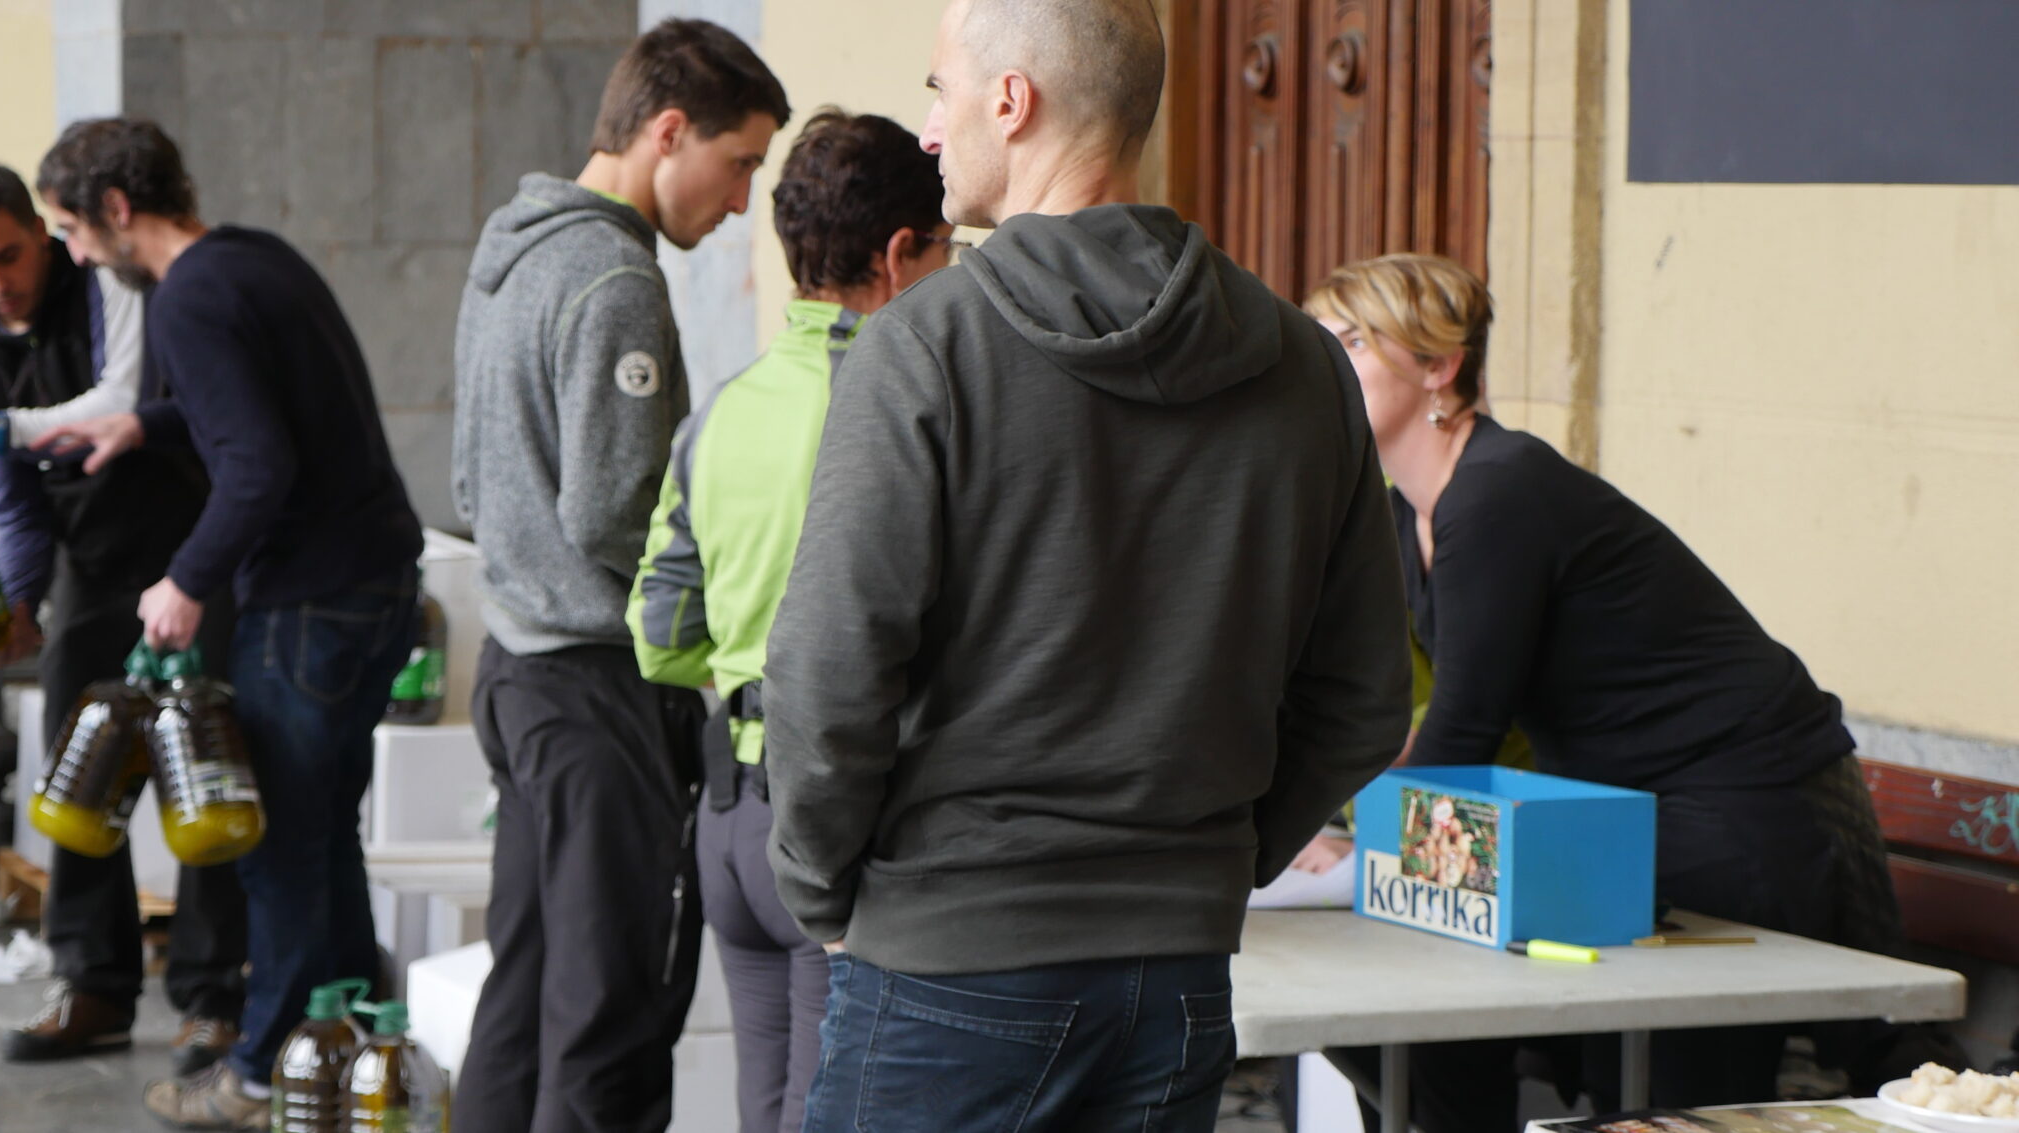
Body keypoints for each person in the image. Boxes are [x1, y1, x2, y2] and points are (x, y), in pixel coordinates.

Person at [762, 1, 1413, 1129]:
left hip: (949, 964)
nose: (930, 128)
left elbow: (827, 671)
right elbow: (1363, 698)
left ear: (1012, 102)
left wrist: (822, 891)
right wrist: (1207, 862)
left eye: (940, 90)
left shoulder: (923, 346)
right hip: (1176, 976)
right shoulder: (1306, 367)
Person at [1303, 252, 1912, 1126]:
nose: (1325, 360)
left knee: (1654, 1094)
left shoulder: (1499, 491)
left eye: (1353, 340)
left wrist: (1367, 846)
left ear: (1438, 366)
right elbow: (1420, 717)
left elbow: (1465, 728)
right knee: (1393, 1013)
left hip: (1741, 811)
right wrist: (1323, 825)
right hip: (1623, 815)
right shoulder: (1411, 509)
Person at [28, 117, 423, 1131]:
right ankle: (344, 1048)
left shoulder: (187, 298)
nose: (75, 254)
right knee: (323, 831)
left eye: (71, 229)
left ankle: (256, 1073)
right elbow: (267, 409)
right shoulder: (252, 260)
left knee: (279, 846)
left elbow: (256, 463)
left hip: (306, 603)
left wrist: (186, 580)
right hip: (377, 585)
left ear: (118, 209)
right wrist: (143, 421)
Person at [450, 19, 790, 1133]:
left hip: (517, 667)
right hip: (597, 689)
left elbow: (469, 475)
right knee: (614, 1018)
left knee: (523, 999)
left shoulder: (511, 245)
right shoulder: (614, 276)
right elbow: (613, 513)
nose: (741, 202)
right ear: (668, 130)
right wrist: (732, 606)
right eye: (738, 163)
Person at [627, 108, 951, 1133]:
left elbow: (658, 634)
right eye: (948, 251)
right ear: (899, 255)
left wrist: (744, 661)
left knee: (761, 1102)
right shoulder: (902, 408)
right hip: (840, 819)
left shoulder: (722, 410)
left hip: (731, 819)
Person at [0, 161, 248, 1078]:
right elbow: (12, 502)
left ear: (42, 235)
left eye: (7, 257)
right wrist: (17, 600)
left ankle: (213, 996)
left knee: (203, 766)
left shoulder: (111, 290)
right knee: (75, 775)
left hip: (192, 555)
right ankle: (92, 984)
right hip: (89, 575)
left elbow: (123, 404)